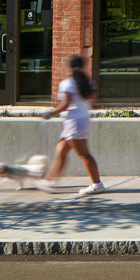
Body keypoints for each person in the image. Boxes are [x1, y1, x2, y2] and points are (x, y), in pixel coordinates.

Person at [44, 54, 106, 197]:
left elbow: (65, 104)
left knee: (84, 154)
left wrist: (50, 113)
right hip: (81, 120)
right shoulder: (89, 82)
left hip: (74, 123)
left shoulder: (67, 83)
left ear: (69, 67)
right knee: (61, 150)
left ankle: (97, 184)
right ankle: (49, 180)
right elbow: (93, 100)